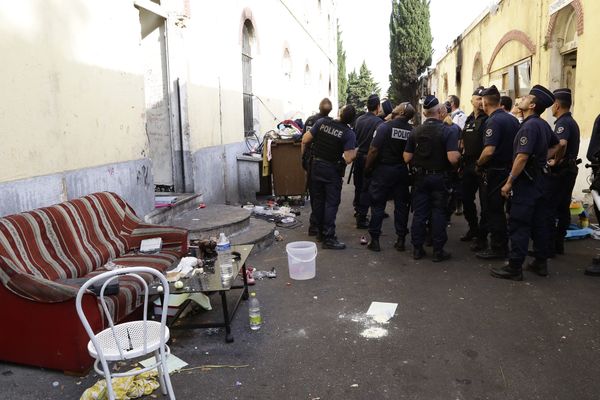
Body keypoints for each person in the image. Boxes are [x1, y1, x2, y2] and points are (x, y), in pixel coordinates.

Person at [491, 84, 559, 280]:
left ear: (532, 104)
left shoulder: (529, 126)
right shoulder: (543, 124)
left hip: (527, 184)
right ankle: (540, 262)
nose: (522, 98)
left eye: (527, 97)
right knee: (539, 222)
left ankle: (514, 267)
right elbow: (557, 144)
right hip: (541, 180)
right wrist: (543, 160)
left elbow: (521, 157)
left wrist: (509, 181)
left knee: (519, 223)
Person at [403, 95, 461, 262]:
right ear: (440, 111)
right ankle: (438, 250)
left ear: (425, 112)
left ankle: (417, 249)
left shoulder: (415, 131)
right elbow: (452, 158)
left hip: (420, 178)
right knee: (438, 214)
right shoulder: (447, 130)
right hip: (440, 178)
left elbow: (406, 157)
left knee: (419, 213)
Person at [302, 105, 357, 249]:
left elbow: (306, 139)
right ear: (352, 119)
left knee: (318, 200)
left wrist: (304, 158)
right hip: (331, 169)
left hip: (316, 166)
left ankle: (319, 232)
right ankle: (329, 237)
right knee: (331, 203)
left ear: (339, 113)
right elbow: (349, 157)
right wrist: (352, 153)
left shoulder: (322, 123)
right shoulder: (348, 133)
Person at [475, 85, 520, 258]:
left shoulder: (493, 121)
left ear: (485, 103)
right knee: (502, 210)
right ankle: (503, 245)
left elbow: (489, 151)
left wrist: (479, 163)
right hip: (509, 169)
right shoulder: (512, 119)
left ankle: (498, 248)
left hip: (496, 171)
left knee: (494, 211)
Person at [364, 102, 414, 252]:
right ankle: (401, 239)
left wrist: (367, 168)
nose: (395, 107)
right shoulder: (411, 131)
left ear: (402, 112)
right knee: (401, 206)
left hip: (383, 171)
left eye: (399, 106)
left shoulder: (384, 127)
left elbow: (373, 150)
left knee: (378, 205)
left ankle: (375, 240)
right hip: (401, 171)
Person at [548, 88, 580, 255]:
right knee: (563, 206)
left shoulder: (563, 122)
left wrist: (555, 160)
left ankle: (551, 246)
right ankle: (558, 243)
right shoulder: (571, 121)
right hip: (569, 170)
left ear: (557, 105)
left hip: (562, 171)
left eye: (552, 105)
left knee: (553, 207)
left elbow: (561, 143)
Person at [459, 87, 488, 244]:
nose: (481, 101)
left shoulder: (488, 119)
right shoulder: (469, 119)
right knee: (465, 198)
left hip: (482, 165)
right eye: (478, 98)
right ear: (472, 100)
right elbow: (463, 140)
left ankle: (482, 237)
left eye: (483, 99)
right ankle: (473, 228)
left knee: (485, 202)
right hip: (468, 164)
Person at [302, 98, 334, 237]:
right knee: (324, 197)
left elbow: (304, 140)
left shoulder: (310, 120)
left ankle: (314, 226)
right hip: (323, 162)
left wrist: (302, 158)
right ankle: (320, 226)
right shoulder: (330, 123)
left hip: (310, 160)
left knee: (315, 195)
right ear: (330, 110)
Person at [352, 94, 383, 229]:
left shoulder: (359, 120)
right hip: (369, 158)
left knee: (359, 186)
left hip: (358, 156)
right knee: (367, 188)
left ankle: (358, 210)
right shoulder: (378, 123)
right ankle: (362, 217)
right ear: (377, 106)